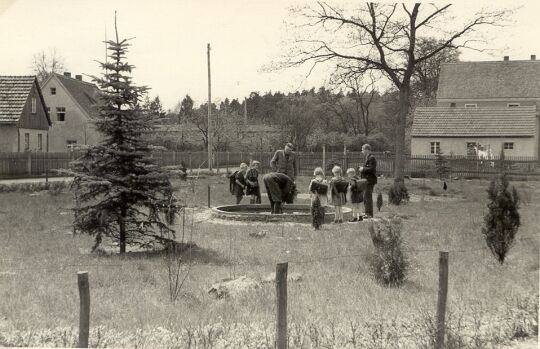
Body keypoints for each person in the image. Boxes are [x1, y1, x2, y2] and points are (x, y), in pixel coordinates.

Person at [358, 144, 377, 218]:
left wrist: (363, 169)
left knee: (367, 197)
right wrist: (362, 168)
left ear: (367, 150)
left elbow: (372, 169)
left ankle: (369, 214)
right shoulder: (368, 157)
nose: (361, 151)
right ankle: (367, 212)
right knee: (366, 197)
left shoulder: (371, 158)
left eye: (362, 149)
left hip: (370, 181)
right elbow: (368, 168)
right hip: (367, 180)